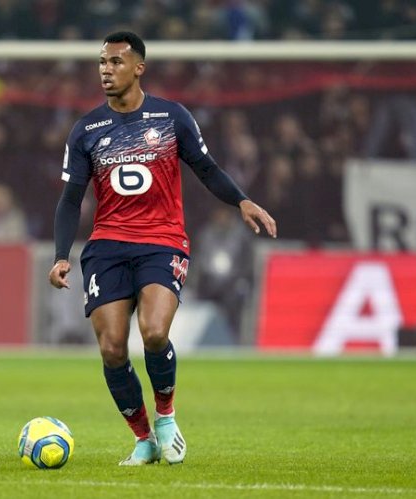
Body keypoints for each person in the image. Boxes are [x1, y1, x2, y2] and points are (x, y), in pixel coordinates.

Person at [48, 31, 276, 466]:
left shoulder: (171, 117)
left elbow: (206, 168)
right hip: (107, 246)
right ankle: (143, 438)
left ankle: (166, 415)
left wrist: (242, 200)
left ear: (138, 68)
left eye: (115, 62)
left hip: (161, 240)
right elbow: (70, 198)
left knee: (154, 333)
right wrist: (62, 255)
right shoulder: (86, 130)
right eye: (102, 62)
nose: (105, 70)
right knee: (113, 348)